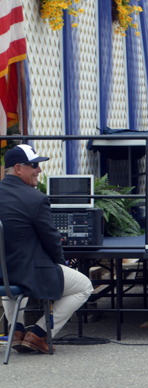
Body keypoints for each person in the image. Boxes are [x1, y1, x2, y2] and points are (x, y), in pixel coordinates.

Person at [0, 144, 94, 354]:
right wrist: (60, 264)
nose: (39, 170)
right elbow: (52, 240)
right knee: (84, 286)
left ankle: (16, 331)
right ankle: (38, 334)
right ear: (17, 168)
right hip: (29, 273)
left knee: (9, 280)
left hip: (3, 275)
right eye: (34, 165)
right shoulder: (35, 198)